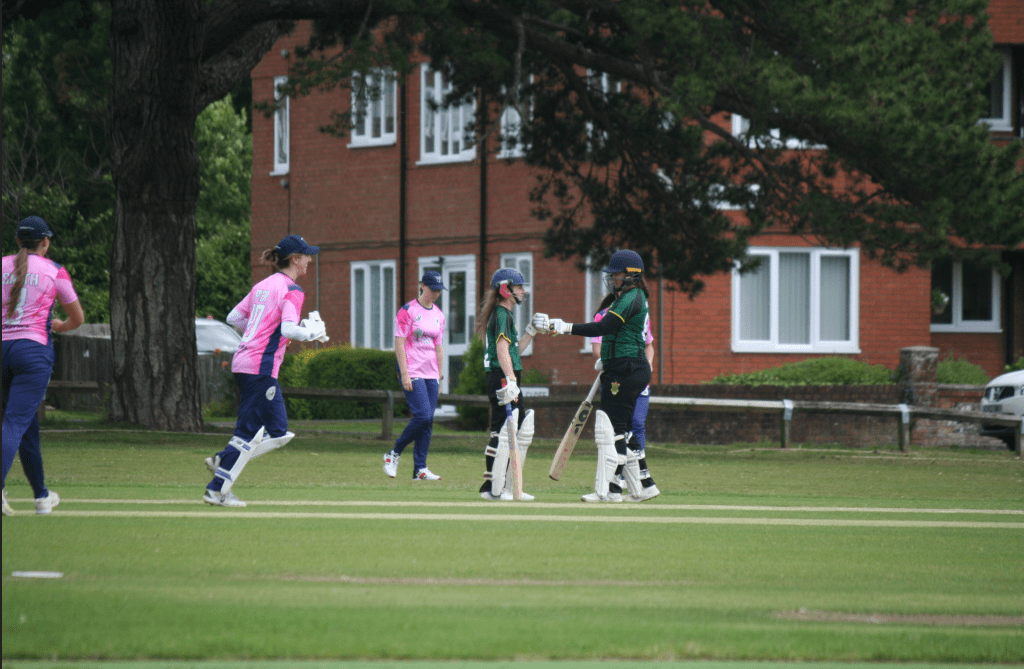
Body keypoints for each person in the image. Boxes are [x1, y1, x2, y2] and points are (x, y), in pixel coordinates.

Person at [203, 234, 328, 507]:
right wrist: (312, 333)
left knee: (279, 432)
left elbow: (234, 317)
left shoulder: (263, 285)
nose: (309, 260)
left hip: (244, 363)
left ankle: (223, 459)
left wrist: (262, 329)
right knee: (247, 433)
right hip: (260, 366)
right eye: (306, 256)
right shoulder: (293, 290)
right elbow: (289, 329)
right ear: (294, 259)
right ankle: (217, 490)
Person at [535, 249, 660, 502]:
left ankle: (611, 490)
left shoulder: (632, 297)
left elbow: (604, 327)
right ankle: (645, 485)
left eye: (617, 274)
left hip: (627, 368)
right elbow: (615, 333)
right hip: (624, 367)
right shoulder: (627, 297)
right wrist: (607, 358)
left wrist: (564, 327)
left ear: (631, 275)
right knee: (623, 430)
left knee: (613, 430)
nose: (612, 278)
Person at [2, 216, 85, 515]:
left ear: (17, 241)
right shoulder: (54, 270)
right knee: (15, 423)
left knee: (25, 426)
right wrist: (60, 327)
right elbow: (77, 317)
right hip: (32, 352)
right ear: (45, 242)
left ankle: (41, 496)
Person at [477, 267, 542, 501]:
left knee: (512, 427)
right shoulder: (502, 314)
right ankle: (494, 487)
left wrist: (531, 331)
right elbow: (502, 351)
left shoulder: (505, 315)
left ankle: (504, 486)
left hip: (504, 375)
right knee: (504, 429)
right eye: (519, 286)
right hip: (502, 376)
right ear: (506, 289)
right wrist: (512, 380)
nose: (523, 291)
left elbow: (514, 350)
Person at [590, 294, 657, 496]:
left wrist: (646, 365)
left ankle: (616, 487)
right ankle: (643, 484)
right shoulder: (604, 316)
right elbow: (597, 348)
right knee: (623, 430)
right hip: (618, 376)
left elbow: (648, 345)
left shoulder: (637, 317)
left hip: (627, 376)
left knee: (624, 428)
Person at [383, 271, 446, 481]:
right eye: (432, 289)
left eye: (439, 291)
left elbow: (439, 348)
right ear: (422, 286)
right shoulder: (407, 311)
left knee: (428, 421)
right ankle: (393, 453)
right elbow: (399, 343)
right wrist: (404, 374)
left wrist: (440, 377)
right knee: (423, 416)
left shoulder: (439, 315)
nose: (435, 294)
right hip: (413, 370)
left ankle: (420, 469)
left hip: (431, 373)